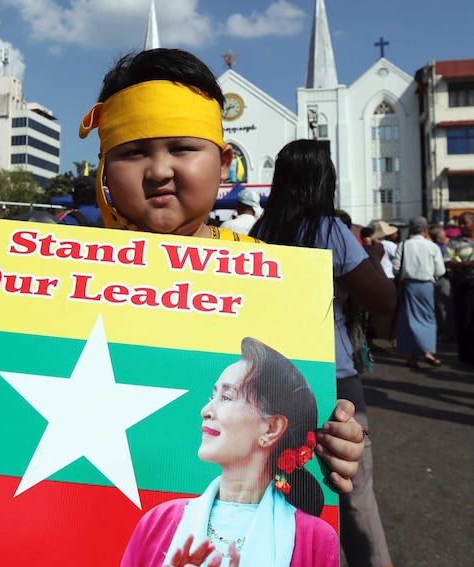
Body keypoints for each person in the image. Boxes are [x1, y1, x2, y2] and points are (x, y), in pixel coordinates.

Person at [78, 48, 364, 496]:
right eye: (133, 152)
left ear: (225, 164)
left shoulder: (271, 276)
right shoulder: (62, 272)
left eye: (182, 148)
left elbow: (294, 401)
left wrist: (332, 437)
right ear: (104, 172)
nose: (158, 170)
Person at [251, 140, 397, 567]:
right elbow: (383, 298)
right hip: (333, 377)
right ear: (324, 179)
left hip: (273, 376)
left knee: (281, 484)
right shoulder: (330, 231)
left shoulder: (260, 232)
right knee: (350, 488)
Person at [122, 338, 338, 567]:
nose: (205, 411)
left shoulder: (316, 543)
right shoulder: (158, 523)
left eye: (226, 397)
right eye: (211, 397)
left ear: (272, 428)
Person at [392, 215, 446, 368]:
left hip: (409, 285)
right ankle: (428, 352)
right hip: (427, 285)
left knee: (409, 319)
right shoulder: (432, 246)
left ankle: (413, 356)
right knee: (428, 317)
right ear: (425, 229)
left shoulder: (404, 245)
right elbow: (440, 270)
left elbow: (396, 268)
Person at [444, 211, 474, 366]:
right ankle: (466, 355)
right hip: (464, 286)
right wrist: (467, 264)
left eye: (465, 223)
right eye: (460, 223)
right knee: (465, 320)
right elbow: (447, 262)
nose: (461, 226)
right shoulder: (454, 243)